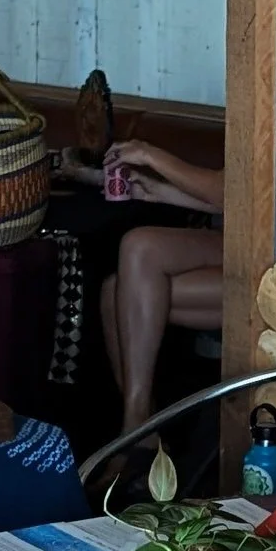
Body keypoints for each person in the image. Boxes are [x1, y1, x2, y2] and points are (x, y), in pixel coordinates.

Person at [98, 136, 225, 435]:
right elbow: (238, 195)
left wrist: (148, 153)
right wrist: (160, 192)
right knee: (114, 290)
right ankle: (141, 425)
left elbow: (224, 192)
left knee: (137, 249)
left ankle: (136, 428)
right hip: (242, 237)